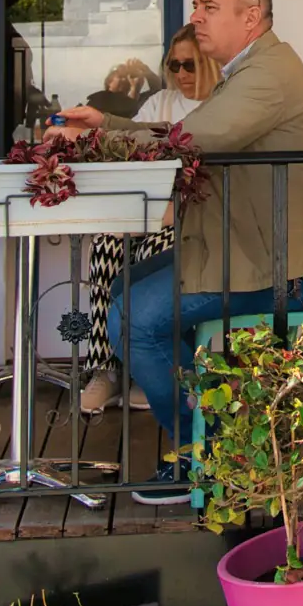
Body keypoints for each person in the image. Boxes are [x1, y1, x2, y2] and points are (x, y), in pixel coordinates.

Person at [94, 0, 303, 502]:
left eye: (209, 7)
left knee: (131, 315)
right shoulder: (250, 68)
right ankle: (219, 434)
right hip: (243, 251)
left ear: (251, 17)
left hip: (279, 268)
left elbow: (185, 143)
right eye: (196, 5)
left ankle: (206, 454)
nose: (195, 17)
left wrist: (101, 138)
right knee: (125, 287)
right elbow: (187, 132)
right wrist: (106, 125)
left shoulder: (267, 75)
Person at [77, 26, 222, 415]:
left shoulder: (224, 107)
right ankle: (104, 370)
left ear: (208, 63)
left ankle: (148, 371)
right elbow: (124, 153)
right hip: (143, 212)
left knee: (161, 247)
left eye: (189, 64)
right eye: (173, 64)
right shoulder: (160, 103)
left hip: (191, 222)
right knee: (106, 244)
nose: (180, 72)